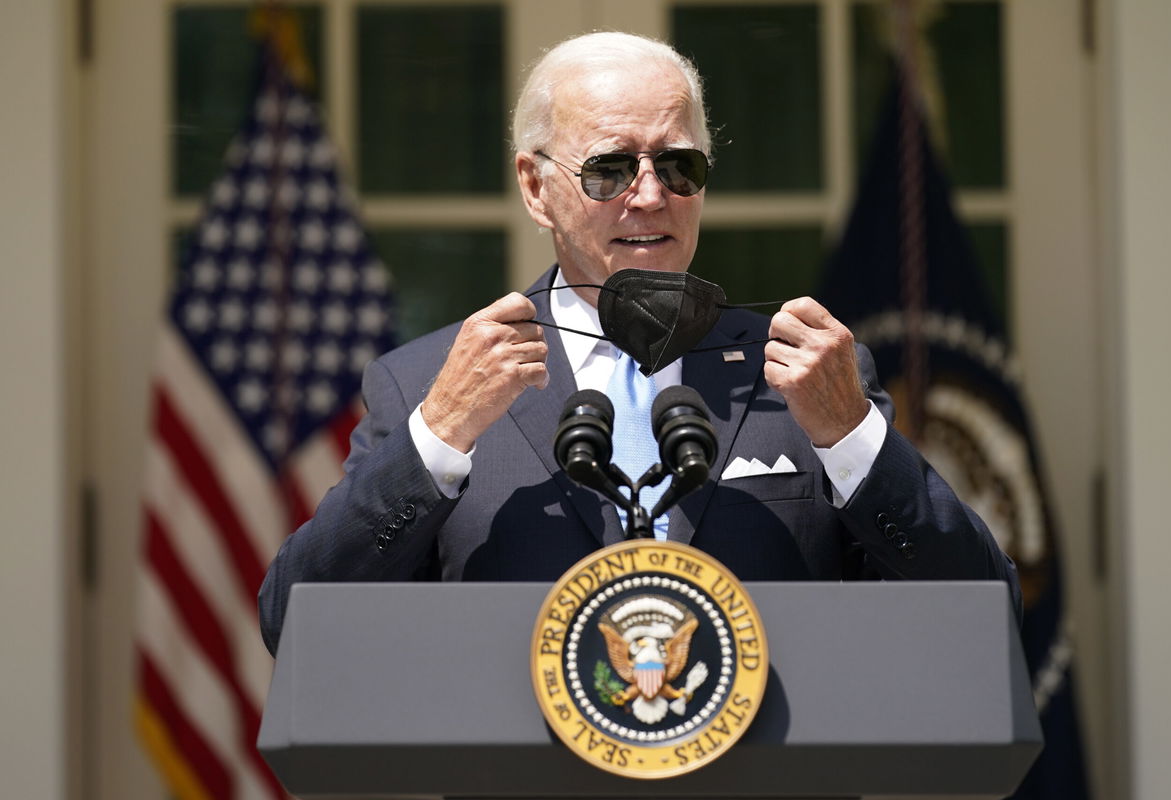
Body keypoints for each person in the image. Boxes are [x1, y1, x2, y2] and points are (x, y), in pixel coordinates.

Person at [258, 32, 1019, 656]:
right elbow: (292, 620)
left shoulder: (808, 373)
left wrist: (854, 442)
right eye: (610, 168)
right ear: (534, 186)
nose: (650, 195)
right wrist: (437, 438)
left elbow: (984, 606)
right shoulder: (427, 382)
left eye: (678, 165)